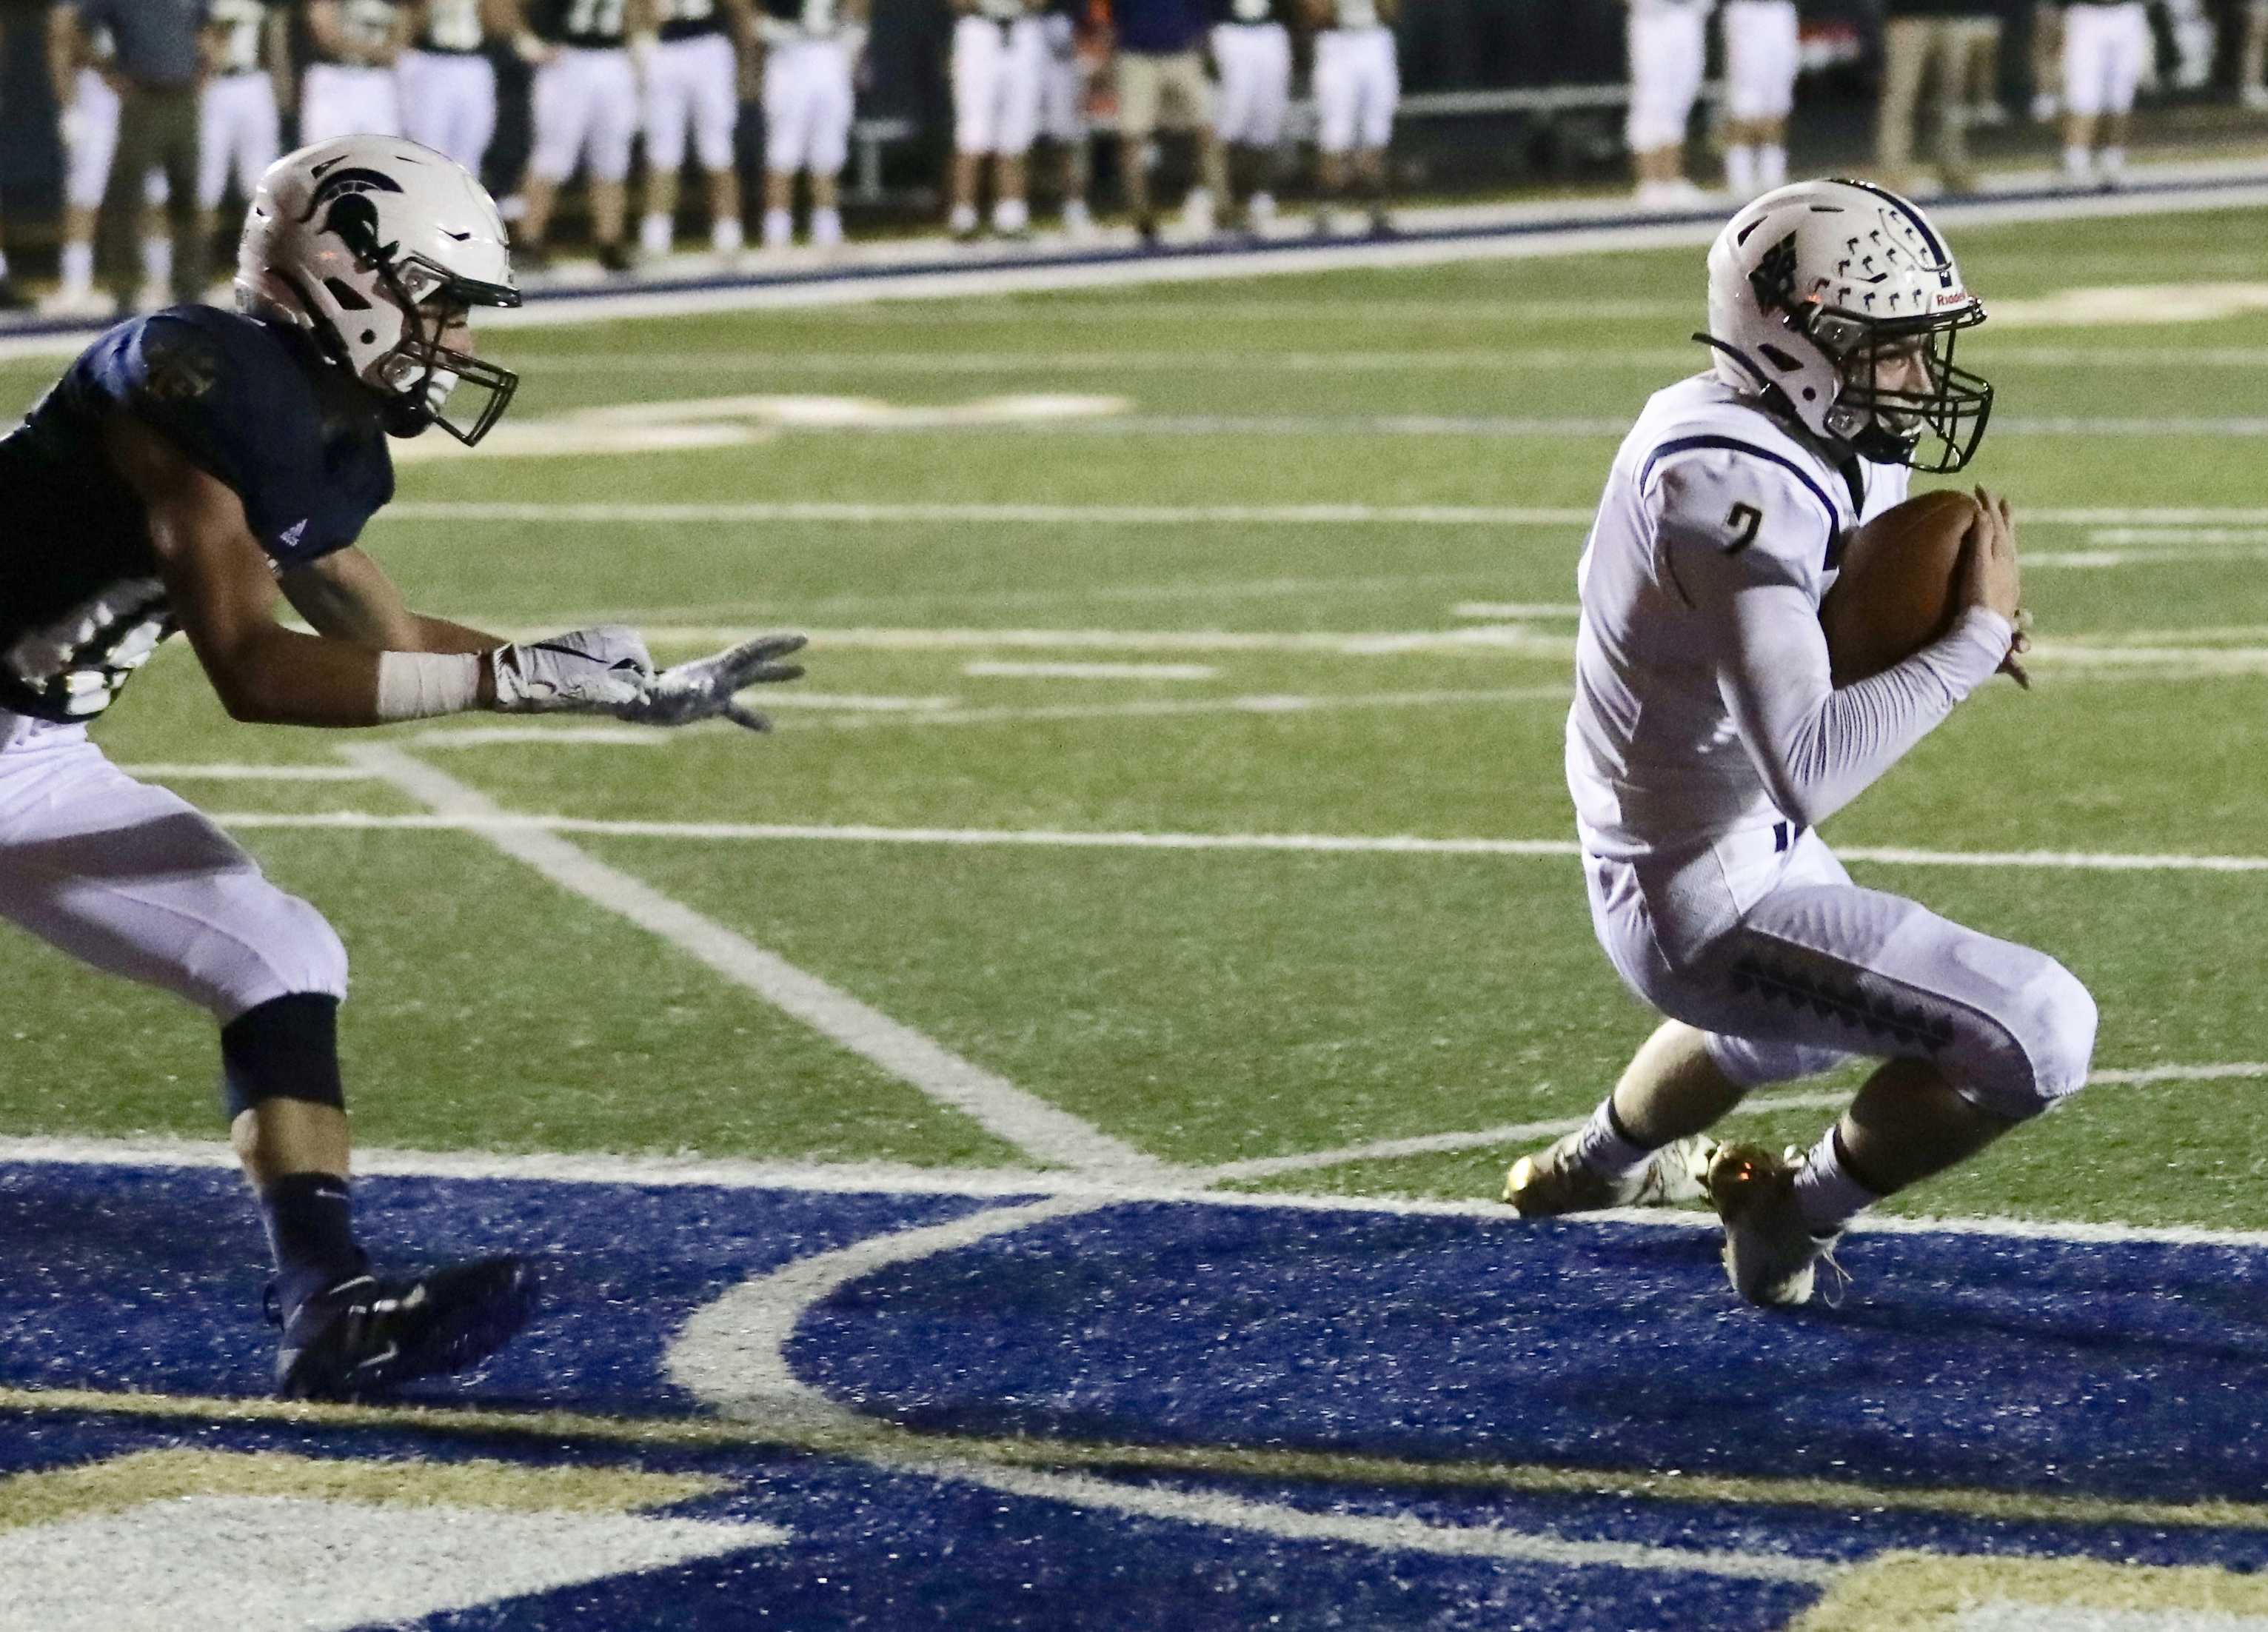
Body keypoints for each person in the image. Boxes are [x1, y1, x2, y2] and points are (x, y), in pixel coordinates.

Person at [0, 134, 806, 1397]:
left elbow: (385, 637)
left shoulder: (320, 430)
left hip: (27, 753)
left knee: (277, 953)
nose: (462, 343)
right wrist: (512, 677)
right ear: (346, 274)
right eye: (441, 301)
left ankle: (332, 1308)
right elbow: (256, 673)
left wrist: (614, 690)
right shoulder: (192, 375)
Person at [1503, 178, 2095, 1308]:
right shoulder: (1721, 485)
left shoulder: (1798, 428)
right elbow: (1810, 766)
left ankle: (1589, 1167)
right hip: (1699, 888)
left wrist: (1933, 634)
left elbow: (1828, 638)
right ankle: (1791, 1202)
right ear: (1795, 341)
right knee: (2039, 1032)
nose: (1917, 377)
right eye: (1888, 349)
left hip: (1702, 827)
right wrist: (1964, 641)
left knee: (1784, 1034)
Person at [79, 0, 209, 318]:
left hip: (183, 96)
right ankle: (125, 289)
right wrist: (106, 68)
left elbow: (204, 28)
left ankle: (190, 286)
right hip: (143, 98)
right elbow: (80, 29)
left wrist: (204, 65)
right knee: (126, 197)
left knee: (187, 195)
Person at [44, 6, 168, 316]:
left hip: (140, 92)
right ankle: (76, 285)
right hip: (96, 95)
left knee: (153, 190)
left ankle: (161, 279)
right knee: (85, 192)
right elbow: (61, 40)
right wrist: (69, 106)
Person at [518, 0, 651, 270]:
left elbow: (636, 9)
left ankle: (610, 242)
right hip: (567, 57)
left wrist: (638, 44)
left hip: (614, 57)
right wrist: (526, 38)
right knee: (552, 157)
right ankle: (527, 240)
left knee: (612, 158)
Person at [1109, 0, 1229, 243]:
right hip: (1136, 53)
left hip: (1181, 51)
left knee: (1206, 128)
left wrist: (1201, 38)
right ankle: (1140, 215)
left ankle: (1222, 207)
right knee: (1132, 137)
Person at [749, 0, 863, 252]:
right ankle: (776, 231)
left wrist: (855, 41)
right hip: (788, 50)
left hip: (830, 48)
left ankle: (827, 229)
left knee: (828, 150)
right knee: (783, 150)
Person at [948, 0, 1045, 240]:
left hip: (1022, 29)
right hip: (980, 30)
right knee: (973, 131)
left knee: (1017, 131)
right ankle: (963, 217)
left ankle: (1011, 216)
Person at [1875, 0, 1985, 195]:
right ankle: (1893, 174)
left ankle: (1953, 169)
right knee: (1900, 98)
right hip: (1907, 16)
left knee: (1951, 99)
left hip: (1950, 15)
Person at [1306, 0, 1395, 236]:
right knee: (1335, 132)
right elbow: (1317, 12)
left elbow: (1390, 10)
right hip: (1337, 43)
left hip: (1374, 39)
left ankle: (1376, 205)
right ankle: (1326, 206)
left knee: (1377, 129)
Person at [399, 0, 513, 175]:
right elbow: (412, 25)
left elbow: (501, 27)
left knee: (470, 149)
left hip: (475, 63)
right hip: (433, 60)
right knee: (428, 149)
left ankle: (461, 199)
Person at [201, 0, 289, 220]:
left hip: (254, 81)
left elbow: (275, 30)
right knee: (206, 183)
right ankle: (194, 253)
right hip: (213, 83)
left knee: (260, 181)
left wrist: (281, 80)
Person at [1625, 0, 1709, 208]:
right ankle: (1650, 181)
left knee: (1680, 100)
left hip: (1688, 16)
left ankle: (1672, 180)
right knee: (1653, 98)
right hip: (1653, 18)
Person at [2060, 0, 2149, 187]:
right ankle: (2076, 163)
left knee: (2121, 98)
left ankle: (2113, 162)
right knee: (2083, 97)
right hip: (2087, 13)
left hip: (2127, 13)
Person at [1719, 0, 1797, 200]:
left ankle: (1772, 177)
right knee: (1745, 102)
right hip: (1747, 12)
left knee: (1778, 98)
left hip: (1779, 11)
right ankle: (1740, 180)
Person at [299, 0, 409, 141]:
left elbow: (401, 40)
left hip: (376, 79)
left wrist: (368, 50)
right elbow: (326, 35)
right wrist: (377, 51)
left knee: (383, 153)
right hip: (333, 76)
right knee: (327, 152)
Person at [1037, 0, 1096, 234]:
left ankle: (1074, 206)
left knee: (1071, 133)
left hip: (1064, 33)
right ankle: (1008, 209)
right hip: (1020, 32)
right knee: (1003, 135)